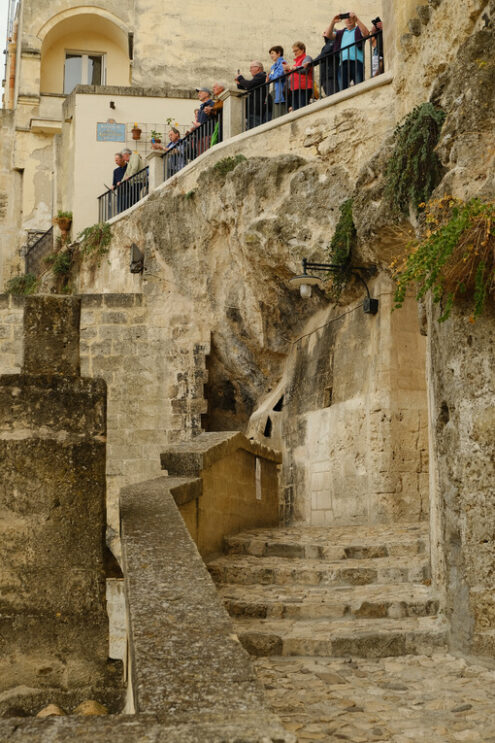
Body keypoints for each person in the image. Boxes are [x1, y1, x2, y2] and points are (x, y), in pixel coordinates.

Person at [326, 12, 369, 90]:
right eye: (347, 19)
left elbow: (366, 33)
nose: (349, 20)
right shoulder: (340, 33)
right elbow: (328, 35)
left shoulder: (358, 29)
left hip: (357, 62)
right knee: (343, 90)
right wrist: (333, 22)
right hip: (343, 63)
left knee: (360, 88)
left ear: (354, 20)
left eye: (351, 19)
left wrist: (357, 19)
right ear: (344, 21)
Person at [235, 61, 267, 129]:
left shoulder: (261, 75)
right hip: (253, 109)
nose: (250, 70)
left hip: (256, 109)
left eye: (251, 68)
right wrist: (239, 84)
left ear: (258, 68)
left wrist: (240, 78)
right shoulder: (258, 78)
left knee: (255, 130)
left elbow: (249, 85)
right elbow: (248, 86)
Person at [282, 42, 313, 111]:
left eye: (296, 50)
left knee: (302, 109)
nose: (295, 53)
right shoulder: (296, 62)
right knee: (296, 110)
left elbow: (304, 69)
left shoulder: (307, 58)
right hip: (294, 88)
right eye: (294, 51)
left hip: (303, 87)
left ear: (302, 50)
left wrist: (291, 68)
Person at [313, 32, 338, 96]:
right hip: (325, 77)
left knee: (332, 97)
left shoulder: (333, 43)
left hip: (331, 76)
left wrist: (312, 63)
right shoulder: (326, 46)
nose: (323, 34)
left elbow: (324, 55)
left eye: (325, 32)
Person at [267, 46, 287, 119]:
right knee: (275, 115)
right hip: (275, 93)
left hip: (281, 92)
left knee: (281, 115)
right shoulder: (274, 66)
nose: (271, 56)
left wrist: (271, 76)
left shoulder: (283, 63)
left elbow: (278, 76)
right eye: (270, 54)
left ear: (279, 53)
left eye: (272, 53)